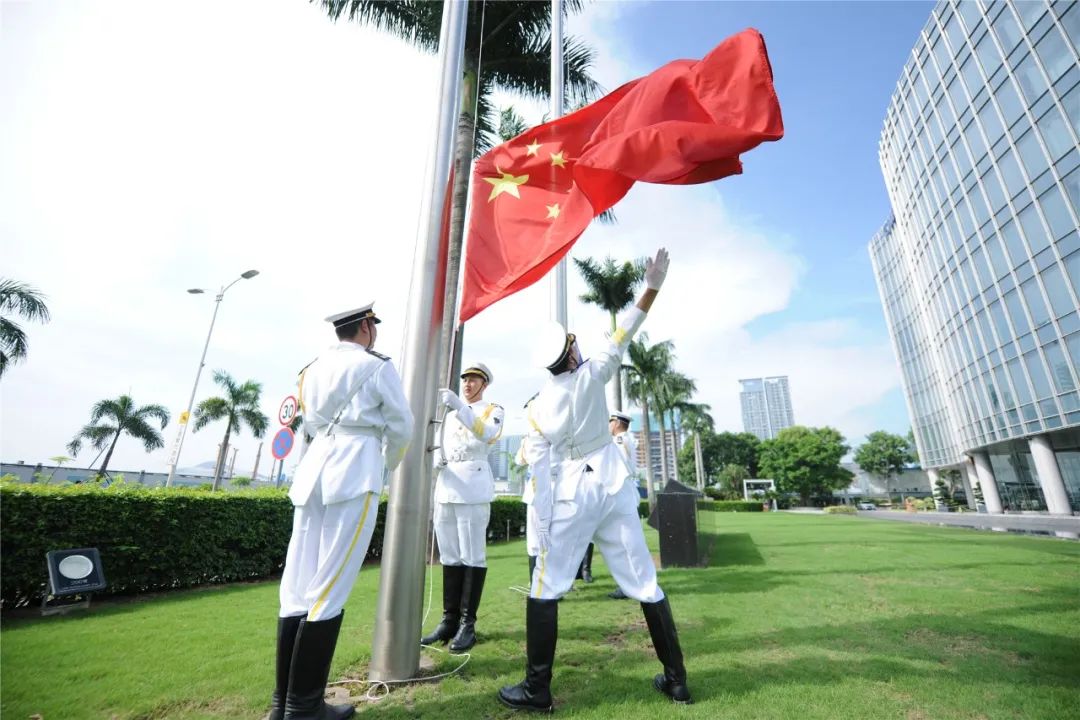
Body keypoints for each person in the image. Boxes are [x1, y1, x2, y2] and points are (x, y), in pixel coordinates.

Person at [498, 249, 692, 712]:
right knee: (644, 581)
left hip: (570, 494)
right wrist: (652, 286)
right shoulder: (594, 373)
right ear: (572, 350)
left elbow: (538, 470)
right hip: (612, 485)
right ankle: (677, 680)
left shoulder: (538, 407)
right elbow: (626, 329)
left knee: (546, 586)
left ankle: (537, 689)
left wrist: (540, 520)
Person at [270, 303, 414, 720]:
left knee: (296, 587)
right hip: (354, 471)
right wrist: (384, 464)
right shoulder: (377, 367)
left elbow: (308, 425)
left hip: (313, 471)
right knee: (328, 588)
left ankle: (283, 704)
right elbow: (401, 426)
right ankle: (304, 708)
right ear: (366, 326)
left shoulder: (311, 369)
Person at [420, 362, 504, 653]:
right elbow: (438, 442)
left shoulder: (492, 410)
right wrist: (436, 458)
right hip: (446, 485)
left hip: (472, 487)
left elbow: (486, 435)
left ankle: (468, 624)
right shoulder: (449, 414)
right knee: (451, 557)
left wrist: (458, 406)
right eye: (465, 379)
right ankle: (449, 620)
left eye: (474, 380)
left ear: (484, 384)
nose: (467, 384)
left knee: (472, 556)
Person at [606, 410, 638, 600]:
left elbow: (619, 465)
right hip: (625, 491)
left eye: (611, 421)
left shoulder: (619, 441)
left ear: (617, 423)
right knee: (624, 542)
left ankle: (627, 586)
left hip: (620, 491)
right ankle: (627, 585)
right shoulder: (627, 439)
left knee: (624, 543)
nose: (609, 425)